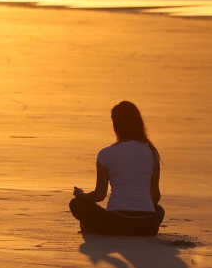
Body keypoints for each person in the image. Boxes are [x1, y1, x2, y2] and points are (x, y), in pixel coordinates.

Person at [70, 101, 165, 236]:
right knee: (159, 210)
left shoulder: (105, 154)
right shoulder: (152, 152)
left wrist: (82, 196)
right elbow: (155, 195)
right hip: (147, 226)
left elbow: (99, 194)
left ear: (116, 126)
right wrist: (141, 204)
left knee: (76, 204)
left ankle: (94, 228)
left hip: (115, 223)